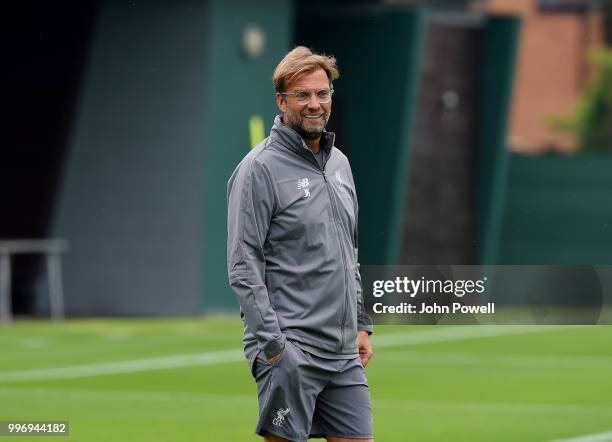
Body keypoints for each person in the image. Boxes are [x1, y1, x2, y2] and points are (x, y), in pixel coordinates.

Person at [227, 46, 374, 442]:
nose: (314, 104)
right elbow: (243, 265)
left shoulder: (340, 163)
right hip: (292, 350)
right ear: (282, 100)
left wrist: (360, 324)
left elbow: (350, 252)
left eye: (322, 93)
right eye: (302, 95)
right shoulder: (258, 169)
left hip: (343, 353)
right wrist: (276, 348)